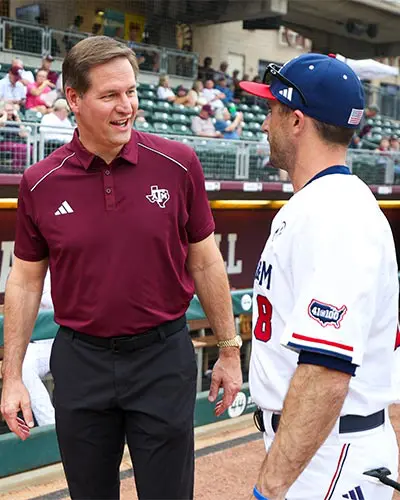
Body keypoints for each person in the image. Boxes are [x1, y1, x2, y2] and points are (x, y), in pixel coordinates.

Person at [0, 35, 242, 500]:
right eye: (110, 95)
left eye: (131, 92)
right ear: (74, 98)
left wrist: (229, 352)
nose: (125, 106)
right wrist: (12, 377)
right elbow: (26, 281)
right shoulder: (40, 182)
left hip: (162, 356)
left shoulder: (179, 164)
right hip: (81, 361)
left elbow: (207, 261)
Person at [239, 53, 399, 500]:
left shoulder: (337, 214)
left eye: (271, 110)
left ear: (296, 120)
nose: (265, 124)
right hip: (321, 445)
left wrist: (269, 488)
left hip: (332, 452)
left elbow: (327, 372)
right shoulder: (321, 204)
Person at [22, 271, 55, 427]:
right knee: (23, 365)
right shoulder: (31, 267)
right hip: (42, 343)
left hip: (77, 340)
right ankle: (51, 427)